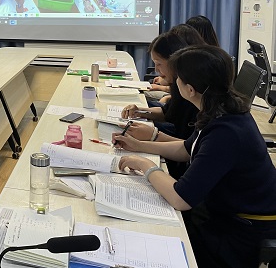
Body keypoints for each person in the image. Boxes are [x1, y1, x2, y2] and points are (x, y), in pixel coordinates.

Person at [114, 45, 276, 268]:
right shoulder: (220, 110)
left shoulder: (226, 132)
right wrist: (139, 145)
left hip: (243, 229)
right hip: (225, 212)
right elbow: (186, 149)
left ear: (190, 89)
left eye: (177, 79)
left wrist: (145, 165)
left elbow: (181, 199)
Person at [121, 32, 200, 179]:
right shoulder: (181, 87)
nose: (156, 69)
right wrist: (140, 112)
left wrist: (153, 136)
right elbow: (168, 112)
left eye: (159, 64)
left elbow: (191, 149)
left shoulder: (196, 101)